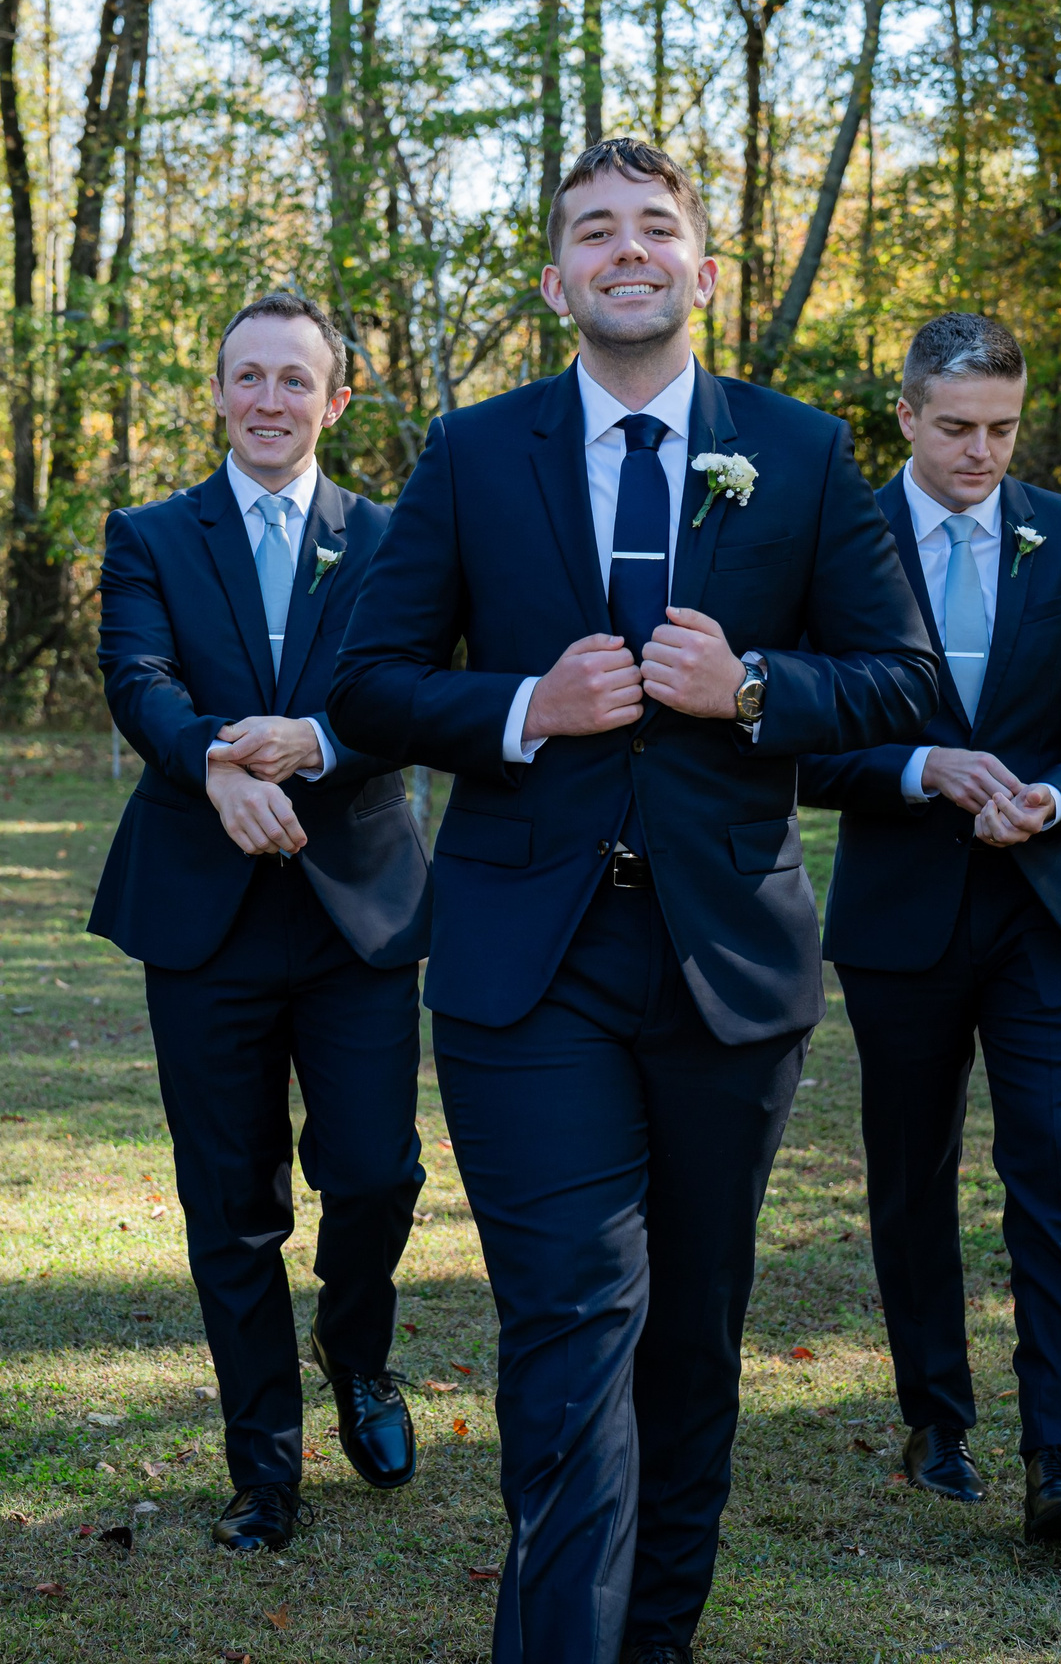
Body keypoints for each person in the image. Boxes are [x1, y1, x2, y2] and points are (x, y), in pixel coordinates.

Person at [331, 138, 939, 1664]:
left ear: (702, 271)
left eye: (653, 228)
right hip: (527, 964)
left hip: (725, 965)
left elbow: (907, 680)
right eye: (592, 231)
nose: (625, 250)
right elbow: (372, 681)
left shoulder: (798, 454)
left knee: (687, 1344)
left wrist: (752, 687)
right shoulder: (475, 452)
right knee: (570, 1327)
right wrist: (526, 707)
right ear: (555, 279)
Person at [90, 294, 433, 1554]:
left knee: (375, 1172)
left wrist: (325, 742)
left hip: (358, 907)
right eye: (249, 378)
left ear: (334, 401)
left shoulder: (395, 538)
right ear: (220, 393)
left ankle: (359, 1355)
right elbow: (139, 676)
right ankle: (264, 1464)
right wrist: (213, 767)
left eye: (297, 380)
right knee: (230, 1200)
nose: (271, 400)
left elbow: (414, 689)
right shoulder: (150, 534)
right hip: (203, 910)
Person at [798, 313, 1061, 1541]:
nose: (981, 452)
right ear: (903, 416)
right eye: (955, 428)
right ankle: (936, 1417)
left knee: (1050, 1164)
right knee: (910, 1175)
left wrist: (1059, 793)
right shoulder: (842, 539)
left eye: (1002, 427)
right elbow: (802, 741)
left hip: (1047, 909)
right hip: (901, 920)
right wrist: (917, 768)